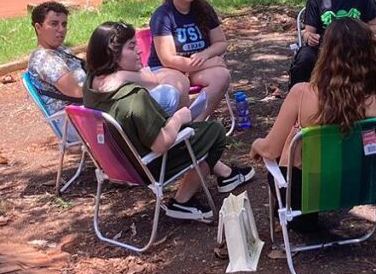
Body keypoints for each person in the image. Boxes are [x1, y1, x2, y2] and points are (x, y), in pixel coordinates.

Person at [251, 18, 376, 231]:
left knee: (284, 159)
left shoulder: (301, 94)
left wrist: (256, 145)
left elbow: (270, 149)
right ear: (371, 54)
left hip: (306, 192)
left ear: (325, 53)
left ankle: (302, 217)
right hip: (357, 186)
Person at [83, 22, 255, 221]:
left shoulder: (91, 85)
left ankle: (224, 172)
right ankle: (182, 202)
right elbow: (162, 143)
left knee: (188, 129)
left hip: (118, 163)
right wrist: (179, 116)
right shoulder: (134, 98)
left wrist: (122, 74)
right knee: (213, 131)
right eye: (131, 46)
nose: (139, 50)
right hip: (149, 165)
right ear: (112, 54)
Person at [26, 1, 188, 119]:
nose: (61, 29)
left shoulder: (59, 51)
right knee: (168, 94)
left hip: (95, 108)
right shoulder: (45, 59)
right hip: (84, 117)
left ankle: (171, 134)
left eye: (64, 24)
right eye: (54, 24)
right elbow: (77, 93)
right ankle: (171, 137)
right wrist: (118, 83)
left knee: (165, 82)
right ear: (38, 27)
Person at [148, 0, 232, 121]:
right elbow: (168, 59)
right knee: (180, 85)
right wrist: (210, 62)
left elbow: (221, 42)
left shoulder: (203, 9)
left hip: (194, 68)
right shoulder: (163, 15)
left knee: (222, 75)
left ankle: (196, 123)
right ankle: (179, 126)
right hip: (167, 69)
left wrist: (206, 54)